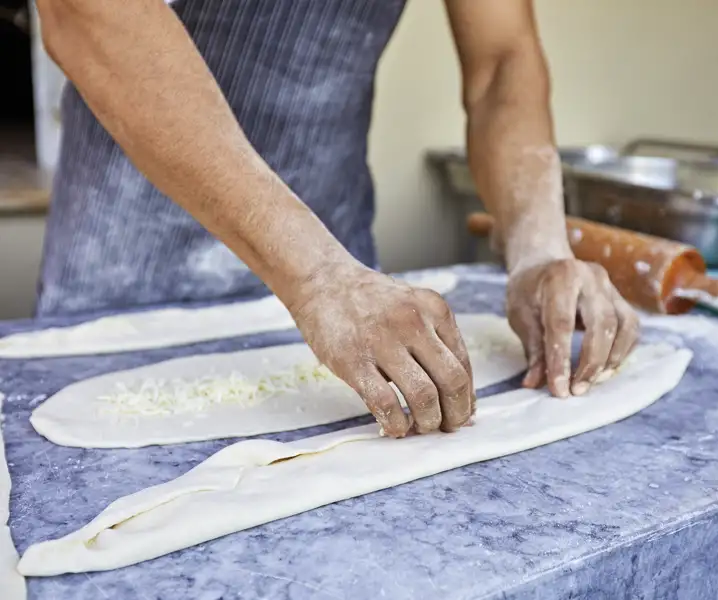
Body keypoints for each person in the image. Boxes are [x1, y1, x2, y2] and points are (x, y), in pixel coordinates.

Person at [36, 0, 639, 438]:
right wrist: (316, 276)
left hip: (349, 283)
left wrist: (538, 246)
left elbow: (501, 61)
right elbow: (87, 14)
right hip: (131, 263)